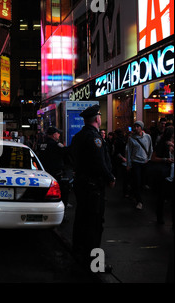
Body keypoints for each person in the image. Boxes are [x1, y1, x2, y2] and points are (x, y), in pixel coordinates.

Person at [70, 105, 115, 270]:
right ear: (97, 118)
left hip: (82, 184)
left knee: (81, 220)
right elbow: (99, 162)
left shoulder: (78, 137)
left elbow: (72, 157)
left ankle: (79, 254)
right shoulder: (94, 138)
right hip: (93, 187)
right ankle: (96, 263)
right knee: (94, 224)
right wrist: (110, 177)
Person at [38, 126, 70, 207]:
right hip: (55, 173)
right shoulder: (56, 145)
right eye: (58, 133)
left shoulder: (41, 144)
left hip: (43, 172)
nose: (59, 135)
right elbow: (66, 153)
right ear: (54, 135)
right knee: (59, 192)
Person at [126, 121, 153, 210]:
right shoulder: (131, 139)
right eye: (135, 126)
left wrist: (148, 158)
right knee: (137, 181)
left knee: (142, 182)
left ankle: (135, 194)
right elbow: (129, 152)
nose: (136, 128)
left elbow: (150, 148)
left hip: (144, 162)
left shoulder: (148, 137)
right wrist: (129, 164)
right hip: (136, 162)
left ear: (141, 127)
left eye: (138, 126)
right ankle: (139, 201)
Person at [150, 126, 174, 224]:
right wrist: (165, 159)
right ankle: (160, 218)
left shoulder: (171, 144)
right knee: (161, 196)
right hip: (164, 173)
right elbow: (153, 158)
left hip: (171, 172)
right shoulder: (162, 144)